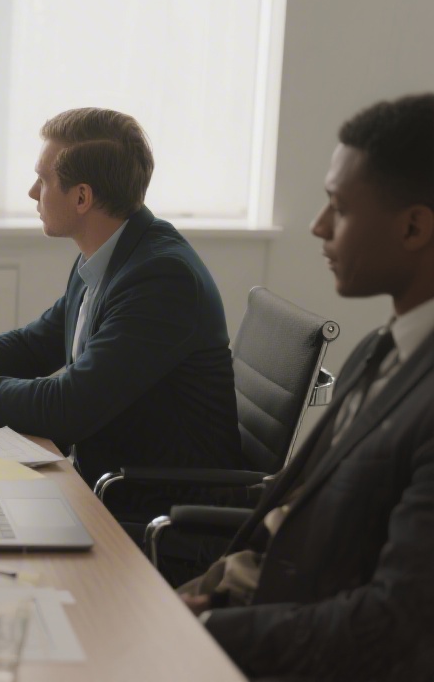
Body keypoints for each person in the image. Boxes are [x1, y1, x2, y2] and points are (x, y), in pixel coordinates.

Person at [178, 94, 434, 681]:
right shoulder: (379, 347)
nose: (318, 227)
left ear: (415, 226)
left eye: (339, 209)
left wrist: (213, 631)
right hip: (249, 608)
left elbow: (396, 624)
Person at [0, 108, 242, 511]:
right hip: (99, 479)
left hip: (150, 507)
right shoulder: (111, 253)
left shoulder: (162, 278)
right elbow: (36, 344)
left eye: (43, 179)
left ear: (82, 197)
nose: (33, 192)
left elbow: (67, 407)